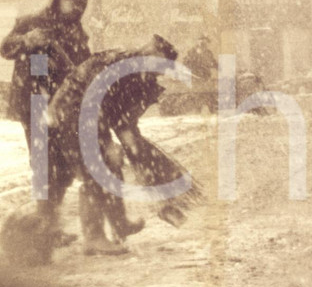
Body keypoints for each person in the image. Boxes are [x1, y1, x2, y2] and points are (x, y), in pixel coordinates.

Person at [47, 34, 202, 255]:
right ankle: (93, 237)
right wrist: (107, 141)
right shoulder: (118, 66)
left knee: (113, 167)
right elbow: (91, 103)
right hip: (71, 114)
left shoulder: (136, 75)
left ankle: (119, 223)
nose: (159, 72)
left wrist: (136, 149)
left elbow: (122, 119)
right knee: (95, 174)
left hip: (83, 115)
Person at [0, 0, 92, 246]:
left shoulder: (75, 30)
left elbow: (83, 63)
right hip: (36, 104)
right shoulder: (31, 21)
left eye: (81, 3)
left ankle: (50, 225)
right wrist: (26, 40)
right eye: (72, 0)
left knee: (62, 168)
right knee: (43, 165)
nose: (77, 6)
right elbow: (6, 48)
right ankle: (43, 228)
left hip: (63, 105)